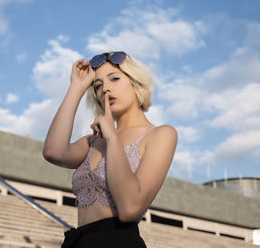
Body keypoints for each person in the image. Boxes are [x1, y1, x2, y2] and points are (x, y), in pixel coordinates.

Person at [43, 51, 177, 248]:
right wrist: (76, 88)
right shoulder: (94, 141)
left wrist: (112, 138)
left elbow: (130, 209)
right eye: (97, 86)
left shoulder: (161, 134)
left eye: (114, 79)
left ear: (137, 84)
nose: (105, 88)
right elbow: (53, 152)